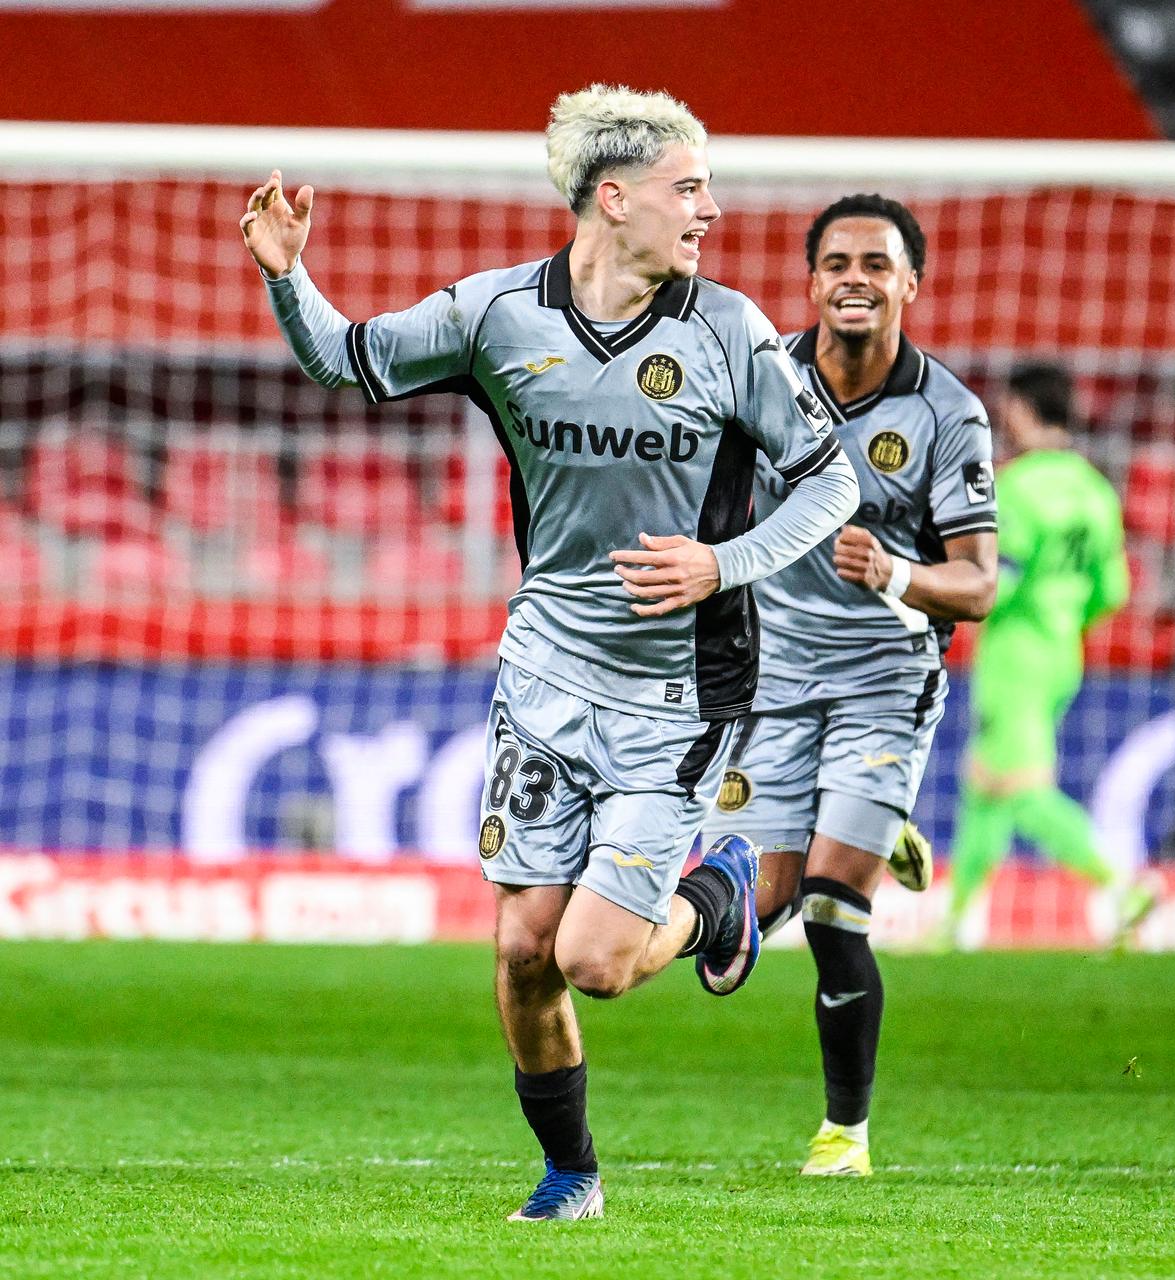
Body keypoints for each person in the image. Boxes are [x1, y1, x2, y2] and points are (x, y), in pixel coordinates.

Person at [239, 85, 860, 1220]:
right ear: (611, 199)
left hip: (677, 688)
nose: (710, 209)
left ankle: (718, 901)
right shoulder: (498, 315)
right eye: (689, 187)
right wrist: (287, 274)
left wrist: (725, 565)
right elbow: (343, 358)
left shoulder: (728, 330)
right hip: (542, 679)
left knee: (596, 959)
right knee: (523, 948)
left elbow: (834, 479)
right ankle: (572, 1173)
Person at [702, 194, 998, 1177]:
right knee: (739, 923)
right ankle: (875, 820)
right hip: (774, 675)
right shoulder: (765, 383)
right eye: (837, 263)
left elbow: (980, 582)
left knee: (832, 903)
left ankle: (845, 1134)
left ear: (910, 282)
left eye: (877, 263)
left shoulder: (948, 412)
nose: (856, 279)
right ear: (813, 281)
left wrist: (900, 575)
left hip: (883, 676)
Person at [943, 363, 1147, 945]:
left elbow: (997, 582)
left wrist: (940, 602)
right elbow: (1115, 591)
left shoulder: (1017, 487)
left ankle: (1122, 885)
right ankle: (954, 924)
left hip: (1014, 655)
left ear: (1022, 412)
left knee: (1019, 788)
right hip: (1063, 654)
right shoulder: (1095, 489)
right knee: (983, 782)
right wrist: (1063, 621)